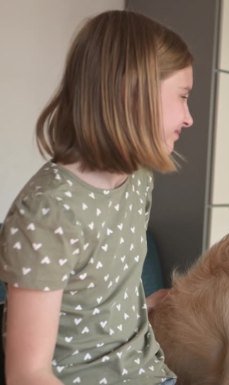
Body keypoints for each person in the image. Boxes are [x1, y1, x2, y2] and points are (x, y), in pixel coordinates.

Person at [0, 10, 193, 385]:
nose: (189, 118)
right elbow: (27, 374)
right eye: (182, 97)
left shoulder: (139, 178)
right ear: (131, 94)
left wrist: (141, 302)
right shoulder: (47, 212)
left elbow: (105, 280)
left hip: (150, 371)